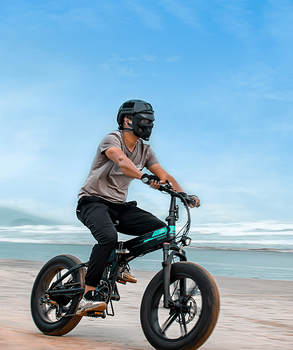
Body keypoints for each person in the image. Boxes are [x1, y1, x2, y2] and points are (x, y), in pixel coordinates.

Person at [75, 99, 200, 316]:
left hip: (119, 206)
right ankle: (88, 295)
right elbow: (122, 161)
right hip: (92, 201)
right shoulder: (112, 139)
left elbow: (165, 176)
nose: (149, 125)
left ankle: (119, 262)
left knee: (162, 231)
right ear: (127, 120)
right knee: (108, 237)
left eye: (151, 121)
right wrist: (143, 176)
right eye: (144, 120)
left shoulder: (145, 150)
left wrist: (183, 195)